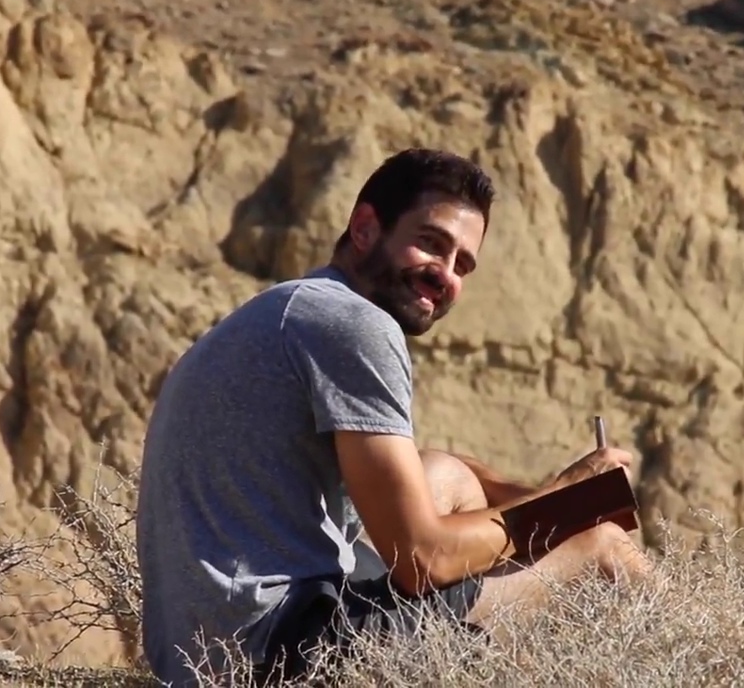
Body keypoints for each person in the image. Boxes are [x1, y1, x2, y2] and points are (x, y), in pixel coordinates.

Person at [135, 147, 653, 686]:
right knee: (603, 547)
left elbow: (421, 492)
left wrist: (555, 496)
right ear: (365, 228)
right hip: (276, 658)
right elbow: (422, 559)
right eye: (431, 244)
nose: (445, 275)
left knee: (449, 475)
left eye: (463, 264)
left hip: (210, 652)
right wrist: (570, 502)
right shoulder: (355, 325)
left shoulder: (296, 307)